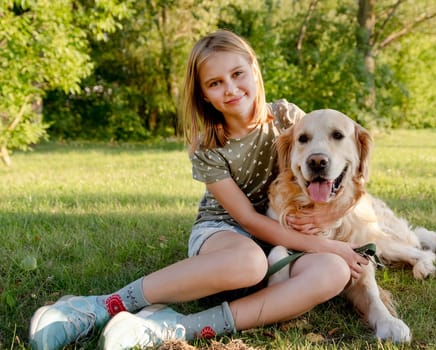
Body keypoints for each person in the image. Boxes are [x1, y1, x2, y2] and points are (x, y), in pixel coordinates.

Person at [29, 29, 369, 350]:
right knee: (250, 261)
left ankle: (176, 327)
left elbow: (339, 166)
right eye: (216, 83)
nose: (231, 89)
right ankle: (96, 307)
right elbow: (248, 220)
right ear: (203, 94)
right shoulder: (207, 145)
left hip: (282, 234)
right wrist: (321, 244)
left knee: (334, 271)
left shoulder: (289, 118)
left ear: (254, 69)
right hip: (226, 231)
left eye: (238, 74)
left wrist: (330, 213)